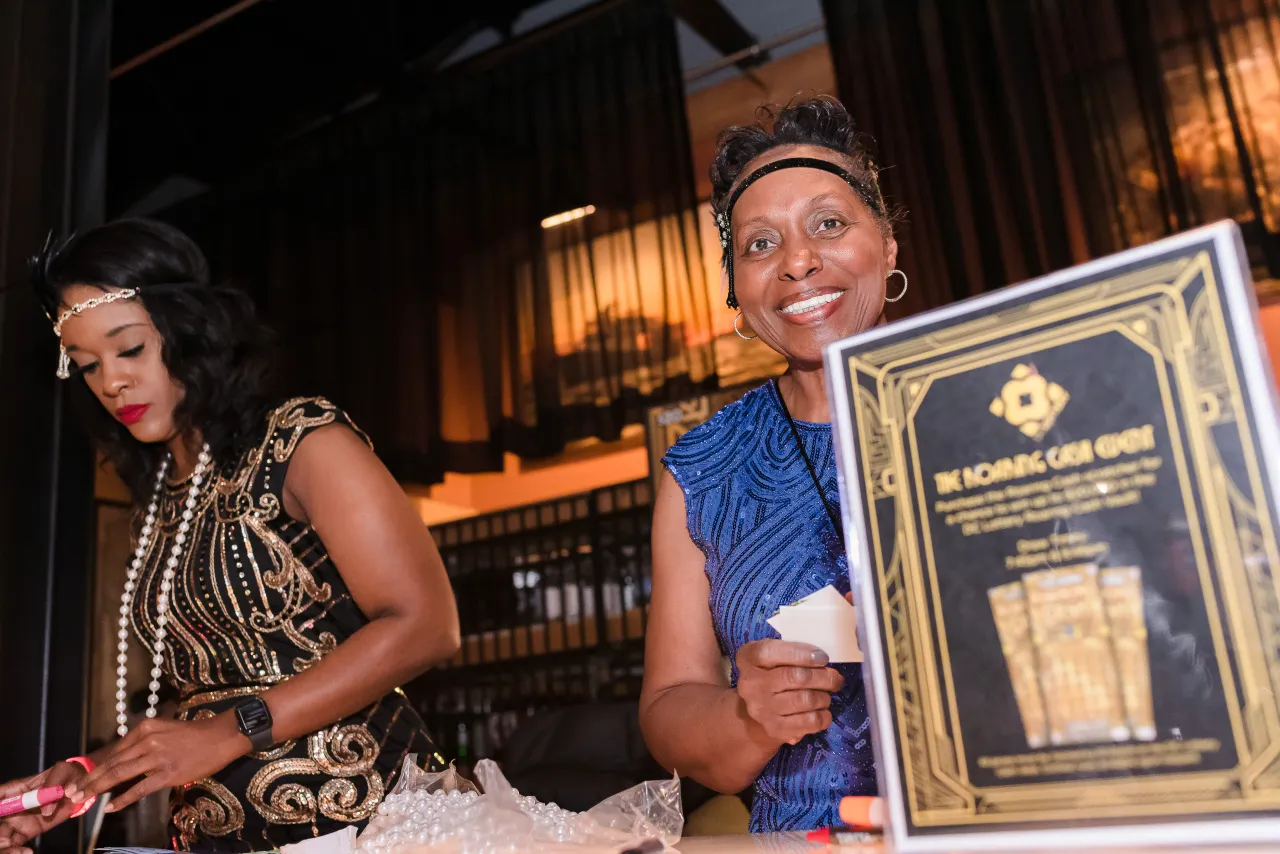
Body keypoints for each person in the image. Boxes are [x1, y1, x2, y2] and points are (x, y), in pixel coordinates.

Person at [0, 219, 461, 853]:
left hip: (370, 825)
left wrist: (233, 731)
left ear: (189, 329)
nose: (111, 382)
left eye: (129, 349)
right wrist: (90, 775)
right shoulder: (166, 497)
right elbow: (208, 700)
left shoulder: (301, 441)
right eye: (86, 366)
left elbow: (426, 625)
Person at [639, 97, 904, 832]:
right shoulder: (703, 470)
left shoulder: (993, 393)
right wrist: (747, 717)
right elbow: (668, 710)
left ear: (886, 244)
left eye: (828, 223)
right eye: (760, 244)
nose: (796, 261)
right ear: (735, 291)